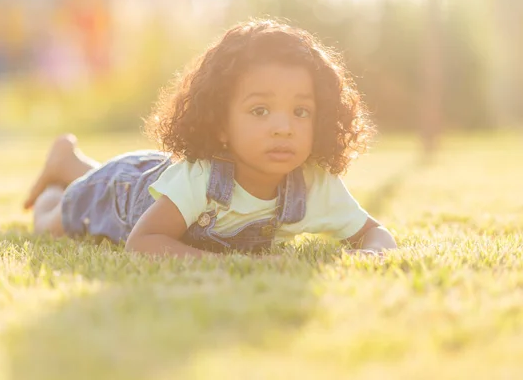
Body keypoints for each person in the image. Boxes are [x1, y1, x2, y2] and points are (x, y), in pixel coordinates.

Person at [23, 19, 398, 258]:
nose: (283, 127)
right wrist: (218, 264)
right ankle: (59, 176)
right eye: (260, 111)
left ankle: (70, 162)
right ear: (220, 124)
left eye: (301, 112)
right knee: (50, 226)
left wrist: (371, 254)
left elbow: (375, 234)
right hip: (118, 192)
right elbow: (144, 241)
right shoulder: (201, 178)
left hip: (162, 180)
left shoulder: (314, 183)